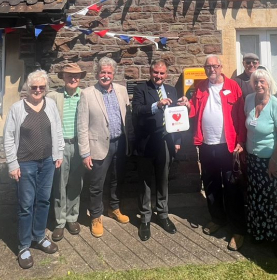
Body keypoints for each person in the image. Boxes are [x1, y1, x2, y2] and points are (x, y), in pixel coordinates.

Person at [183, 55, 247, 251]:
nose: (211, 69)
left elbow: (241, 114)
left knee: (232, 186)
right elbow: (194, 111)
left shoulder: (233, 86)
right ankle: (217, 218)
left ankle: (237, 230)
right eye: (208, 67)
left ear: (221, 67)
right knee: (210, 183)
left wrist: (241, 141)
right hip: (206, 144)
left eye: (215, 66)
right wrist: (187, 105)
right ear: (205, 69)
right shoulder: (201, 87)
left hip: (228, 145)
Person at [3, 69, 65, 269]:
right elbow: (8, 138)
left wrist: (59, 154)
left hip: (47, 162)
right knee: (26, 205)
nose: (38, 90)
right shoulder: (17, 108)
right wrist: (13, 164)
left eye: (42, 87)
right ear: (27, 88)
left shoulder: (51, 105)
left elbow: (57, 129)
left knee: (44, 200)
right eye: (34, 87)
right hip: (26, 164)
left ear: (46, 88)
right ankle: (23, 246)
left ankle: (38, 236)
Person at [78, 57, 133, 238]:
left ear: (113, 74)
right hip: (98, 145)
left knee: (117, 180)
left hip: (120, 142)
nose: (106, 76)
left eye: (109, 72)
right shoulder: (87, 94)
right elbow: (82, 125)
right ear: (97, 73)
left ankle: (114, 208)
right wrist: (85, 152)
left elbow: (128, 116)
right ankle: (95, 216)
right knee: (96, 184)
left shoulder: (122, 91)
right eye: (103, 72)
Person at [132, 59, 184, 241]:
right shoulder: (141, 89)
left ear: (166, 74)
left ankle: (162, 214)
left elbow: (176, 116)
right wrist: (157, 105)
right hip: (145, 143)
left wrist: (177, 140)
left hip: (165, 142)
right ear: (150, 71)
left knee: (163, 179)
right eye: (156, 72)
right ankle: (145, 218)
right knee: (145, 182)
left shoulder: (171, 90)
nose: (158, 76)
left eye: (162, 73)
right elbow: (137, 110)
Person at [243, 67, 277, 256]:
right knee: (254, 197)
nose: (258, 84)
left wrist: (273, 161)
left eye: (262, 81)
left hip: (270, 160)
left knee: (270, 200)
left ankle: (276, 237)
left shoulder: (275, 105)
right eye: (255, 81)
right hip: (252, 159)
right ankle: (258, 233)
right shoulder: (248, 100)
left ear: (268, 83)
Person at [48, 63, 86, 242]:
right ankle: (60, 221)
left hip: (79, 146)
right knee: (60, 184)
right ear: (63, 77)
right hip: (61, 146)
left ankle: (72, 217)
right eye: (70, 75)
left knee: (75, 183)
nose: (73, 79)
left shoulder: (84, 96)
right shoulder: (54, 97)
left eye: (76, 76)